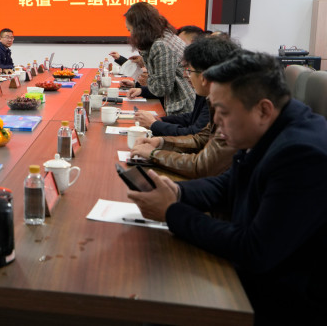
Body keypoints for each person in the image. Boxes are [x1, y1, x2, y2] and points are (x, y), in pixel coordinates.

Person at [127, 51, 327, 325]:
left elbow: (254, 250)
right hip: (259, 279)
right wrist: (177, 192)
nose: (217, 124)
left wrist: (171, 212)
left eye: (223, 113)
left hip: (283, 303)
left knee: (151, 294)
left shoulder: (302, 154)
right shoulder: (272, 127)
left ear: (263, 109)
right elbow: (227, 184)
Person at [129, 35, 240, 178]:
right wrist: (160, 142)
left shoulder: (232, 107)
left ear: (204, 77)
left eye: (189, 71)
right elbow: (201, 138)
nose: (185, 75)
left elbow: (202, 166)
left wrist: (153, 153)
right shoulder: (216, 97)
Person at [124, 2, 195, 115]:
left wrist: (147, 80)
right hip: (185, 103)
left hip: (182, 107)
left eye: (130, 30)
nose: (131, 35)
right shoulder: (166, 35)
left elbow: (162, 88)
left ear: (140, 29)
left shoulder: (160, 45)